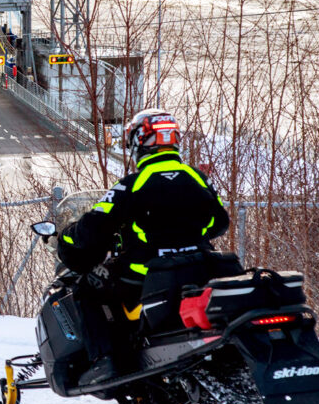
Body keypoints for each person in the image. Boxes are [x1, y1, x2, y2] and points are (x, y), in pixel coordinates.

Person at [56, 109, 229, 385]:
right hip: (200, 266)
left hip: (145, 271)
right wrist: (185, 237)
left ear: (138, 143)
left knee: (87, 290)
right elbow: (219, 222)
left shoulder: (133, 184)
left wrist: (68, 236)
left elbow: (93, 228)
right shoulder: (197, 177)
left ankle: (105, 361)